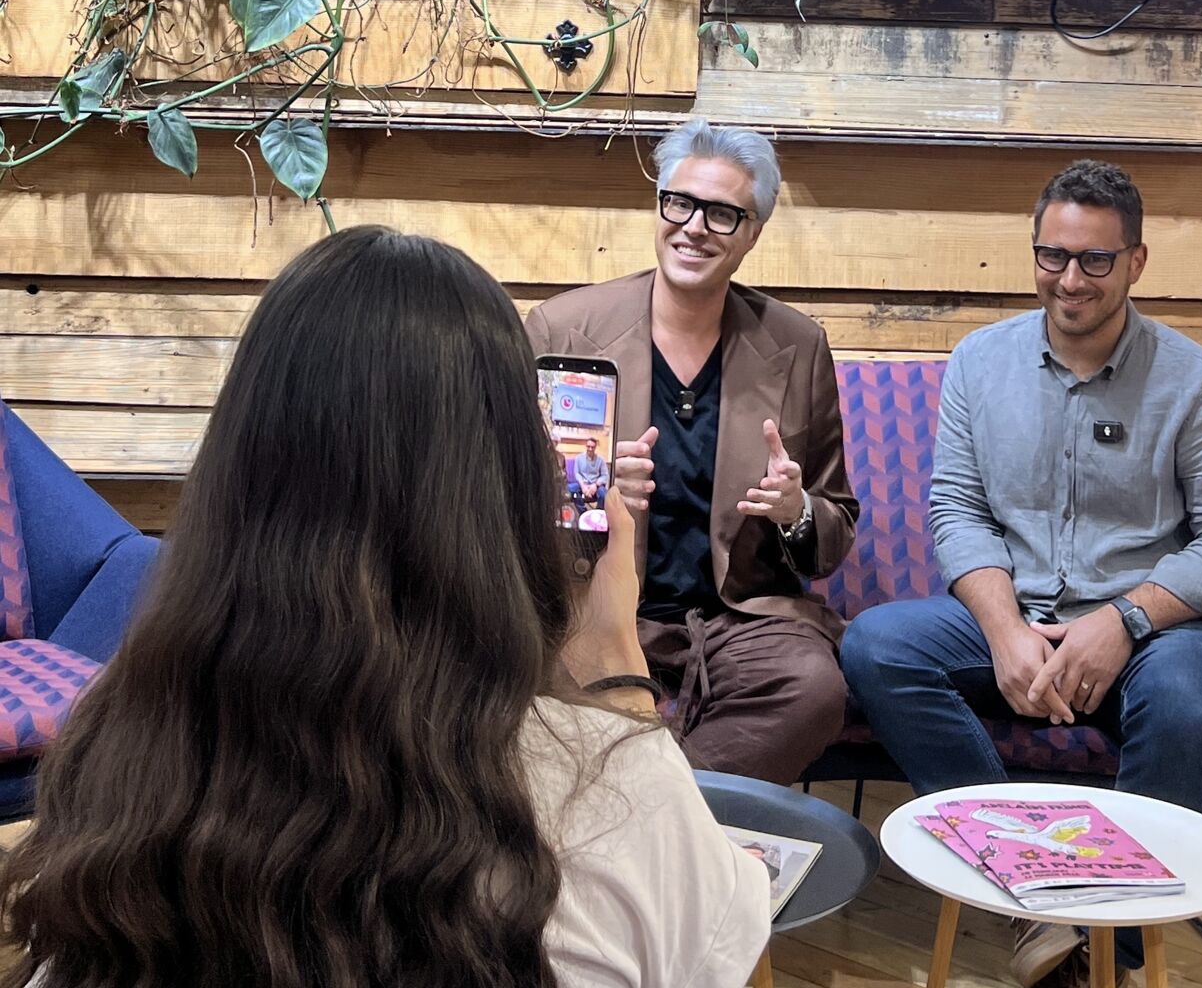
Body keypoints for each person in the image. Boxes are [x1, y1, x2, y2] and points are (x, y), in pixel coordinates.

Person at [0, 227, 770, 988]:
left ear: (235, 475)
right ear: (510, 489)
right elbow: (734, 954)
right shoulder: (616, 795)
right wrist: (618, 672)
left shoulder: (122, 749)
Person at [842, 160, 1202, 988]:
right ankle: (1025, 890)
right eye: (1053, 256)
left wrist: (1123, 622)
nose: (1070, 280)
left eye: (1095, 260)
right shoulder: (980, 362)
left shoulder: (1198, 382)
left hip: (1153, 629)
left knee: (1187, 702)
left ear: (1136, 262)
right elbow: (957, 510)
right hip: (1018, 610)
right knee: (878, 647)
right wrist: (1004, 630)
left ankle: (1110, 943)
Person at [526, 118, 858, 786]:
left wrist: (794, 509)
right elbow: (503, 495)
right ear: (658, 207)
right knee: (531, 687)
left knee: (812, 688)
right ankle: (693, 818)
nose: (695, 227)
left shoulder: (797, 345)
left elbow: (833, 526)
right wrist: (585, 493)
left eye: (723, 213)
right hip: (595, 601)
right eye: (679, 203)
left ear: (753, 232)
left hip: (743, 619)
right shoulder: (564, 329)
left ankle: (664, 809)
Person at [571, 437, 609, 511]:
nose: (590, 449)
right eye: (588, 446)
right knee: (571, 490)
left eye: (592, 447)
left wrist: (595, 485)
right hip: (583, 484)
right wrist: (583, 486)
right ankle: (583, 512)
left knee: (604, 494)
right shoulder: (579, 458)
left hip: (595, 485)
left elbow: (605, 475)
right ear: (586, 446)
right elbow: (577, 473)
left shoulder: (601, 460)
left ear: (595, 447)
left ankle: (597, 513)